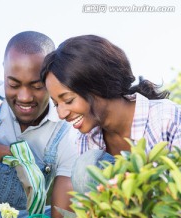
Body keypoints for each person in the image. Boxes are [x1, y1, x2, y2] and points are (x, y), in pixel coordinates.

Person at [40, 34, 181, 192]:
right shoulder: (87, 141)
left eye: (68, 100)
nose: (61, 114)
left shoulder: (167, 119)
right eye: (56, 104)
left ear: (97, 84)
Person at [0, 31, 79, 218]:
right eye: (14, 84)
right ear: (4, 71)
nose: (25, 97)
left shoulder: (66, 131)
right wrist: (13, 155)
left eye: (37, 86)